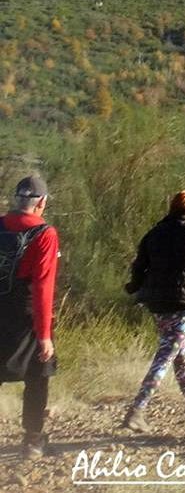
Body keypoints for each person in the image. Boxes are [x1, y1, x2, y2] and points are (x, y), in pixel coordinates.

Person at [121, 190, 185, 433]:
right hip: (183, 303)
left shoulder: (154, 233)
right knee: (166, 355)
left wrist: (133, 287)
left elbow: (138, 267)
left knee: (179, 353)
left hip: (158, 304)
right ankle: (137, 411)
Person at [3, 176, 59, 458]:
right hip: (25, 315)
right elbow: (43, 286)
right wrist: (45, 334)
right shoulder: (45, 233)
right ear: (42, 203)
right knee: (38, 373)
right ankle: (33, 440)